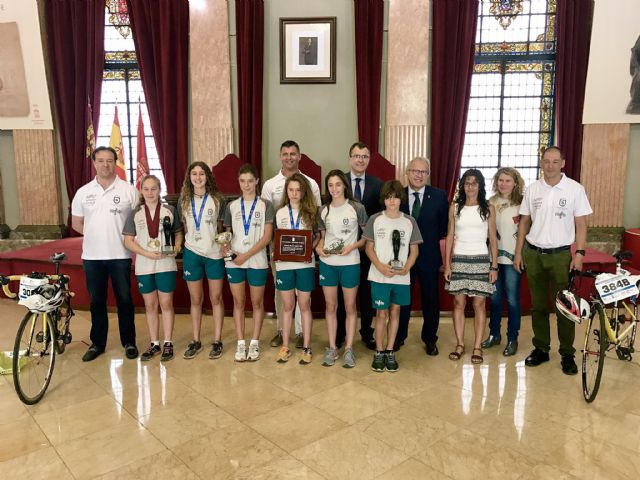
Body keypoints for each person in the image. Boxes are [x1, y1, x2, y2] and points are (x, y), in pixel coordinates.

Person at [514, 146, 592, 375]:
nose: (550, 165)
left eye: (554, 161)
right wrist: (519, 252)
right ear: (541, 162)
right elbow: (524, 223)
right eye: (546, 161)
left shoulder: (575, 189)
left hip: (560, 256)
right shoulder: (532, 189)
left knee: (565, 306)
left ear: (563, 163)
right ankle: (541, 348)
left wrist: (579, 254)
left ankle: (567, 353)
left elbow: (581, 225)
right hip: (534, 254)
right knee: (538, 305)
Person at [71, 146, 139, 362]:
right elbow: (77, 223)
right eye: (100, 160)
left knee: (125, 300)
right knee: (96, 301)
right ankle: (97, 343)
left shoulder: (128, 190)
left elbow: (140, 221)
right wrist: (96, 234)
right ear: (94, 163)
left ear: (115, 162)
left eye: (109, 160)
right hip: (92, 257)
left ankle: (129, 342)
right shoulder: (83, 192)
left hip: (120, 255)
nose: (105, 165)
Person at [262, 140, 321, 348]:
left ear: (299, 156)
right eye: (285, 153)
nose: (289, 157)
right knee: (283, 294)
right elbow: (267, 221)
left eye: (293, 153)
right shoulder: (270, 185)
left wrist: (312, 246)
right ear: (280, 156)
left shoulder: (311, 183)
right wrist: (272, 251)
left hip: (304, 255)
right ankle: (282, 330)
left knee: (303, 298)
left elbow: (317, 220)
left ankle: (301, 333)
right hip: (280, 253)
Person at [362, 180, 422, 372]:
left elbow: (414, 251)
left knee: (395, 312)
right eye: (389, 198)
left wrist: (406, 268)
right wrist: (379, 266)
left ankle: (390, 350)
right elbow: (369, 248)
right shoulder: (375, 219)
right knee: (381, 314)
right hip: (379, 276)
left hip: (401, 277)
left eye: (396, 197)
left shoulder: (409, 221)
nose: (393, 201)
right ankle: (379, 351)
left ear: (401, 199)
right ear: (384, 199)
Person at [122, 175, 183, 362]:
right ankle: (154, 343)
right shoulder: (135, 213)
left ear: (159, 190)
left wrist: (177, 246)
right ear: (141, 190)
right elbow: (128, 241)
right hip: (144, 264)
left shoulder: (170, 210)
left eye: (154, 189)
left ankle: (168, 343)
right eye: (146, 189)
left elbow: (179, 233)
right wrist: (146, 253)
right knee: (150, 305)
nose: (150, 193)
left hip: (165, 263)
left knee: (166, 304)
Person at [444, 169, 498, 365]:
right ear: (462, 185)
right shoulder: (455, 207)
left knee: (479, 304)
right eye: (467, 182)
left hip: (481, 260)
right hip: (459, 259)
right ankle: (460, 344)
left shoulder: (488, 208)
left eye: (474, 183)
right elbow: (450, 236)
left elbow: (492, 238)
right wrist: (448, 264)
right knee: (458, 303)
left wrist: (494, 266)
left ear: (480, 186)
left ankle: (477, 346)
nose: (470, 186)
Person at [222, 164, 274, 362]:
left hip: (257, 259)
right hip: (234, 260)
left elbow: (267, 236)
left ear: (257, 182)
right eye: (243, 181)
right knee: (238, 302)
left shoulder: (266, 205)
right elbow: (227, 234)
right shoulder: (231, 206)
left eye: (250, 181)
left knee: (257, 302)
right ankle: (240, 342)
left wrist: (246, 255)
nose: (246, 185)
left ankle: (254, 342)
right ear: (239, 182)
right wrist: (225, 246)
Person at [316, 170, 368, 368]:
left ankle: (348, 349)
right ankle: (332, 347)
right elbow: (320, 238)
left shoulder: (356, 208)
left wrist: (352, 246)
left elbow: (366, 237)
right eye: (330, 185)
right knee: (330, 307)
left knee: (350, 307)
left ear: (345, 185)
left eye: (338, 184)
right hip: (329, 265)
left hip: (350, 264)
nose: (334, 189)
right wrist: (319, 249)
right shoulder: (323, 210)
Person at [398, 157, 448, 355]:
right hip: (402, 258)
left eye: (423, 172)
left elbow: (443, 227)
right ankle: (399, 336)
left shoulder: (438, 196)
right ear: (407, 172)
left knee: (430, 300)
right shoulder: (397, 195)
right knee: (403, 299)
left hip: (429, 257)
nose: (418, 175)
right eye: (415, 171)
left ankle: (430, 339)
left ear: (428, 174)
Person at [336, 141, 384, 350]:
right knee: (341, 294)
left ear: (368, 160)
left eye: (364, 156)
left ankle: (366, 332)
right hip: (343, 251)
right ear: (350, 158)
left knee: (366, 293)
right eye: (357, 156)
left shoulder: (378, 184)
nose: (360, 160)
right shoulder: (339, 182)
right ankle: (339, 334)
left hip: (368, 249)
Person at [177, 161, 226, 360]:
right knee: (196, 299)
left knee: (216, 298)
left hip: (214, 254)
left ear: (208, 177)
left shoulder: (217, 199)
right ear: (189, 177)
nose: (198, 178)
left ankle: (217, 340)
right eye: (194, 174)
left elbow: (223, 228)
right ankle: (196, 340)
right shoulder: (183, 201)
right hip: (192, 253)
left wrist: (224, 243)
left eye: (202, 174)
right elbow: (184, 227)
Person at [273, 173, 318, 364]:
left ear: (303, 192)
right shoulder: (280, 213)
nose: (294, 193)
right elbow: (277, 239)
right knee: (287, 306)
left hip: (305, 265)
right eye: (291, 190)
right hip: (284, 266)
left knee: (304, 305)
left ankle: (306, 346)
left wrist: (310, 249)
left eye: (298, 190)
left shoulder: (311, 212)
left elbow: (317, 237)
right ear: (286, 191)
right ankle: (285, 345)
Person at [481, 167, 525, 356]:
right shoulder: (489, 202)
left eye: (508, 180)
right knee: (495, 299)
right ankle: (494, 334)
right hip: (493, 259)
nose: (503, 184)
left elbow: (526, 232)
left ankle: (512, 338)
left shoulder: (523, 203)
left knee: (513, 300)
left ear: (515, 183)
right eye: (500, 180)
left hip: (513, 258)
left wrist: (519, 254)